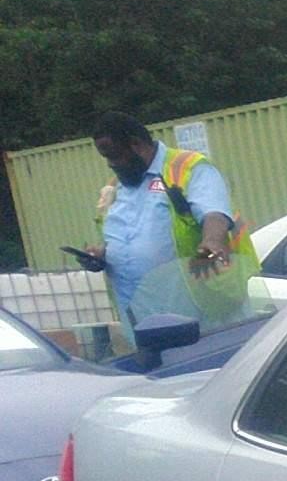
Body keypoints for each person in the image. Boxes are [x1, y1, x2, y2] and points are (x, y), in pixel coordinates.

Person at [73, 113, 259, 332]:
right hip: (139, 318)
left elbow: (214, 212)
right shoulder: (118, 187)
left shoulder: (187, 169)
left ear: (136, 144)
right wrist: (102, 255)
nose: (111, 164)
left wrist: (211, 242)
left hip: (197, 319)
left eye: (114, 155)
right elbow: (130, 239)